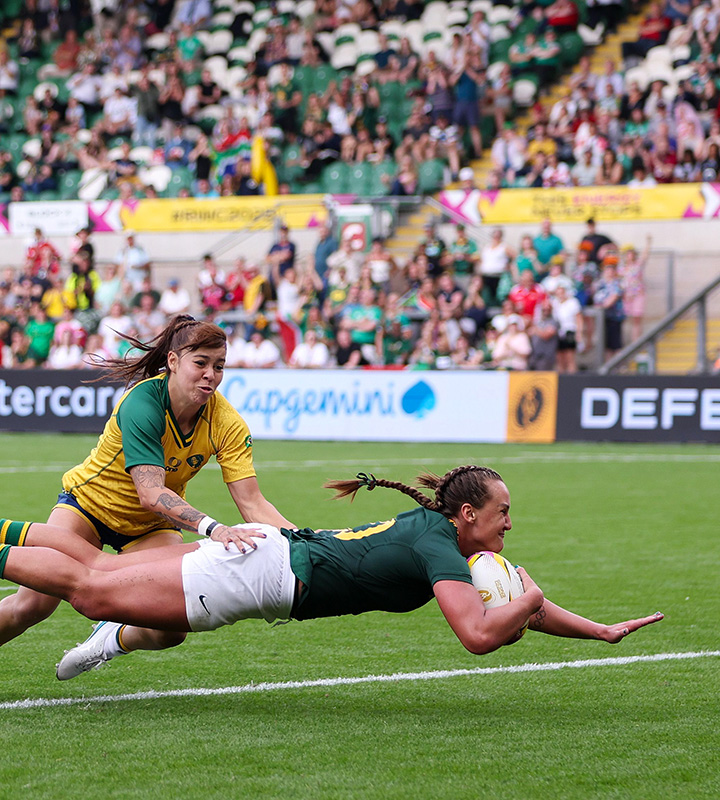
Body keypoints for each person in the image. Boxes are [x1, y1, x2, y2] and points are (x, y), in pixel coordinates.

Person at [0, 466, 663, 678]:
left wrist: (599, 631)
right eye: (503, 513)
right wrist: (531, 596)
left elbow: (520, 608)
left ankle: (108, 638)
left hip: (269, 558)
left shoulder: (447, 542)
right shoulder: (441, 548)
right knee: (87, 587)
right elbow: (482, 634)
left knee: (97, 576)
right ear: (468, 514)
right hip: (258, 575)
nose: (509, 526)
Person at [0, 315, 293, 677]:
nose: (211, 375)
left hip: (151, 528)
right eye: (200, 363)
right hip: (88, 508)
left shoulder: (227, 422)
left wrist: (309, 546)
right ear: (173, 362)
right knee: (30, 607)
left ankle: (110, 640)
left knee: (171, 627)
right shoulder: (142, 402)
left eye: (219, 366)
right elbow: (151, 493)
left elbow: (253, 503)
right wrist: (214, 528)